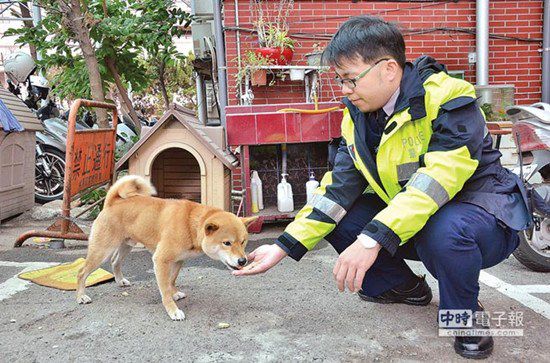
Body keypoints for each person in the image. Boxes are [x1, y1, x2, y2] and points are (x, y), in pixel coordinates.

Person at [233, 16, 531, 359]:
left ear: (389, 69)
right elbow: (337, 189)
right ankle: (402, 287)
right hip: (416, 220)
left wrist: (372, 238)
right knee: (342, 216)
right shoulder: (357, 115)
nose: (344, 89)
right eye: (340, 80)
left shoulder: (448, 98)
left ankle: (462, 317)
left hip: (483, 222)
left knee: (444, 228)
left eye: (350, 79)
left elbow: (436, 183)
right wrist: (283, 246)